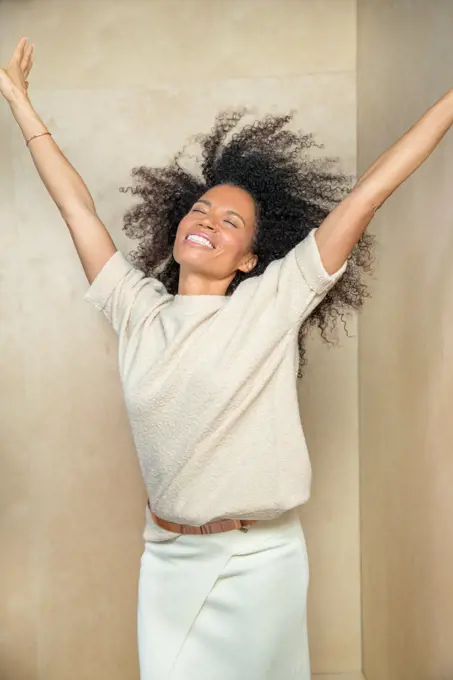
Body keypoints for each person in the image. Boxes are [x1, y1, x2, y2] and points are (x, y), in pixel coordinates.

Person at [1, 37, 452, 680]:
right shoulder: (137, 309)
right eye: (201, 207)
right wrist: (21, 104)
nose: (207, 219)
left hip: (261, 561)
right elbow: (77, 207)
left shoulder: (272, 301)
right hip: (166, 558)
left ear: (249, 258)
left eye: (232, 221)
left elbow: (369, 194)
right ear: (177, 225)